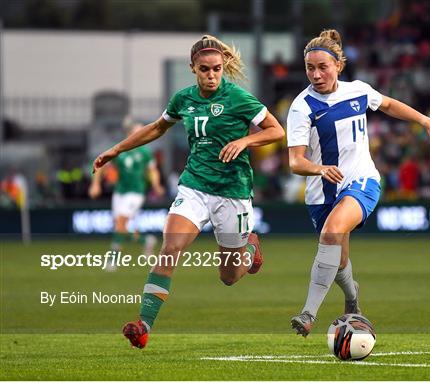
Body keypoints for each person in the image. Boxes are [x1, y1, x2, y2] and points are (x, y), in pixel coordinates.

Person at [92, 35, 285, 348]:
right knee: (170, 249)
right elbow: (156, 128)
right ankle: (143, 326)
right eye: (205, 69)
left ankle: (250, 250)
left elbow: (277, 130)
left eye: (217, 69)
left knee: (229, 277)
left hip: (232, 192)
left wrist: (244, 141)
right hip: (194, 186)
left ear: (223, 69)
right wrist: (116, 150)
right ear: (193, 69)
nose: (211, 75)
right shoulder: (183, 99)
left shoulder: (238, 97)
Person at [286, 29, 430, 337]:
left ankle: (308, 314)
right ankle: (352, 296)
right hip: (322, 193)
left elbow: (387, 105)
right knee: (338, 259)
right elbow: (296, 162)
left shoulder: (358, 90)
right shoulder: (301, 107)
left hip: (362, 181)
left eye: (323, 67)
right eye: (310, 68)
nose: (316, 74)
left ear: (339, 66)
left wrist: (426, 121)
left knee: (332, 232)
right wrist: (319, 169)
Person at [89, 118, 165, 271]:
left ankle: (113, 259)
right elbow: (102, 165)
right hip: (120, 191)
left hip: (136, 192)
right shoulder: (121, 149)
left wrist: (156, 185)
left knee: (121, 224)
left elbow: (153, 171)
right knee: (120, 226)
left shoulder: (145, 152)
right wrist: (95, 184)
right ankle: (145, 240)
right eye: (138, 131)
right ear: (130, 133)